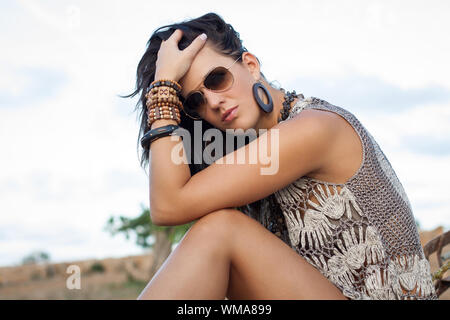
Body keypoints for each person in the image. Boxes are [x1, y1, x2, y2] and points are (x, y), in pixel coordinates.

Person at [123, 12, 437, 300]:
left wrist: (162, 87)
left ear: (250, 65)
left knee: (220, 230)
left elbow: (168, 205)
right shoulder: (245, 157)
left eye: (217, 79)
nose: (214, 102)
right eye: (195, 101)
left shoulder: (314, 127)